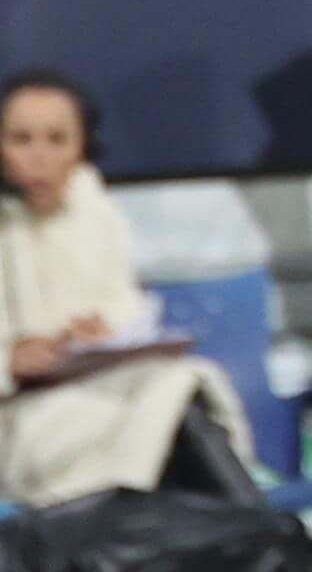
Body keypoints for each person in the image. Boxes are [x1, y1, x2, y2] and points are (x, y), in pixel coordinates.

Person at [0, 69, 259, 509]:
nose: (39, 157)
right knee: (174, 409)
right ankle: (264, 538)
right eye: (21, 139)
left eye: (56, 139)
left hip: (107, 389)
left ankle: (250, 540)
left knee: (177, 391)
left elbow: (127, 312)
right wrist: (13, 360)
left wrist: (101, 334)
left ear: (81, 148)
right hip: (25, 420)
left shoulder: (98, 217)